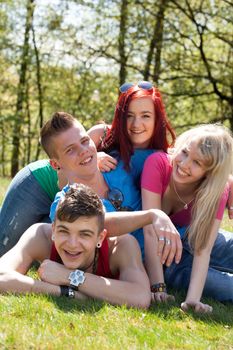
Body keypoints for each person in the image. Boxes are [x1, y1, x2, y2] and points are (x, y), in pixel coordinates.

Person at [40, 111, 181, 265]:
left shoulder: (118, 166)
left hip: (174, 243)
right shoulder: (63, 204)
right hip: (141, 268)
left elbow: (165, 156)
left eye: (85, 141)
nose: (83, 150)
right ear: (55, 164)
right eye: (70, 150)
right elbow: (99, 223)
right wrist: (152, 216)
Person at [0, 184, 151, 308]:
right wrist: (64, 292)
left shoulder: (121, 246)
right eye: (64, 231)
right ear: (53, 229)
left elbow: (140, 297)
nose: (72, 244)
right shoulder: (40, 236)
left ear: (100, 237)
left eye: (84, 234)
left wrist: (68, 276)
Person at [141, 124, 233, 313]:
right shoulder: (158, 163)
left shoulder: (215, 190)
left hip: (191, 239)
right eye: (184, 152)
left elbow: (203, 249)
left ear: (210, 172)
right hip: (165, 255)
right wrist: (158, 286)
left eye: (197, 163)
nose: (184, 164)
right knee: (225, 286)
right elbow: (150, 230)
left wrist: (193, 299)